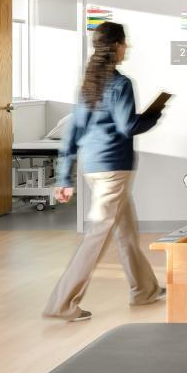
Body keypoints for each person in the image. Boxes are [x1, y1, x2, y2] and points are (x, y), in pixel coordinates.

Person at [43, 21, 166, 321]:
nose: (128, 48)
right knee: (98, 234)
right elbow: (128, 126)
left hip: (93, 166)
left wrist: (64, 176)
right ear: (115, 46)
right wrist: (155, 114)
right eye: (125, 42)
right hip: (114, 168)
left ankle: (145, 290)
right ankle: (62, 304)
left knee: (126, 231)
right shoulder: (121, 84)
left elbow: (73, 134)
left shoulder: (88, 85)